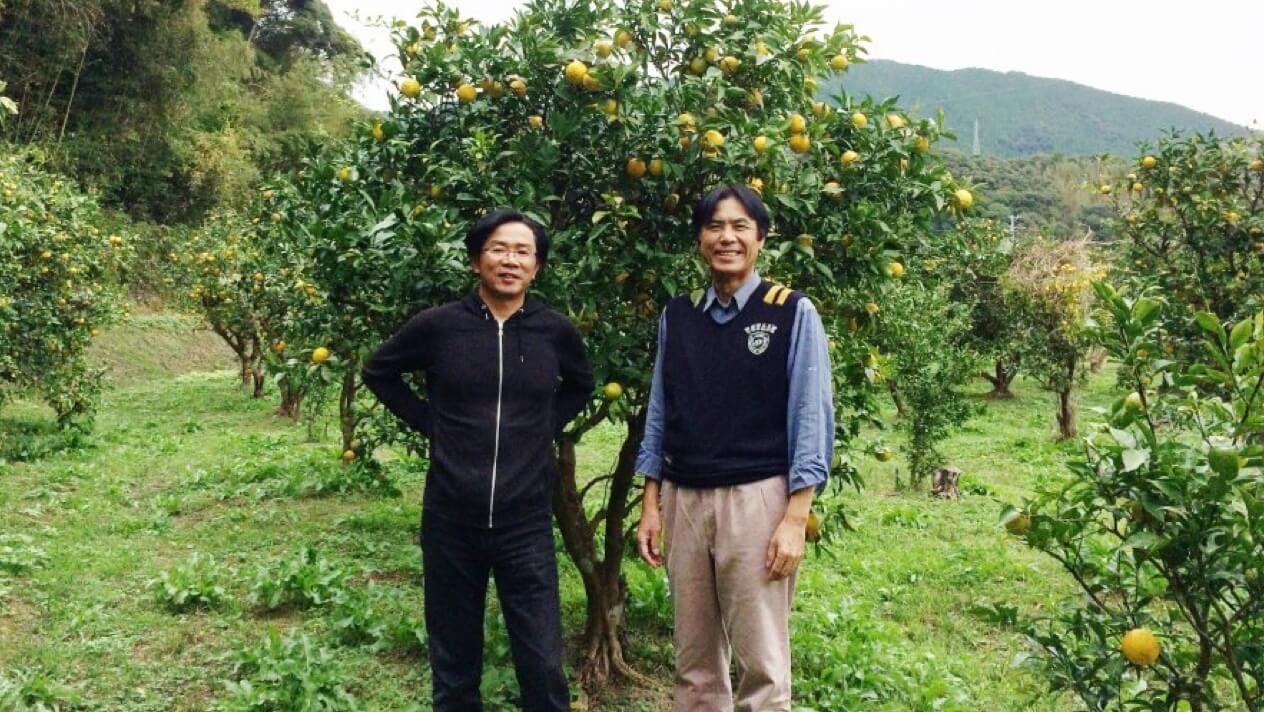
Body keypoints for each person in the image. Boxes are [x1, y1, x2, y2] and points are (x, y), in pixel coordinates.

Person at [362, 208, 593, 712]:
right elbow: (379, 371)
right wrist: (432, 423)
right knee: (454, 666)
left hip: (525, 522)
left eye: (522, 252)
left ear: (537, 267)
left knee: (543, 664)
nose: (510, 260)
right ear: (476, 260)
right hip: (450, 520)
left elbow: (582, 384)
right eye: (498, 249)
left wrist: (542, 427)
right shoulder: (439, 327)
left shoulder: (554, 332)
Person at [634, 184, 834, 712]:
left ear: (761, 239)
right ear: (700, 239)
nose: (727, 237)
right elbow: (660, 412)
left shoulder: (792, 312)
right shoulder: (677, 316)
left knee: (762, 666)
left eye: (740, 226)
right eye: (715, 226)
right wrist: (651, 504)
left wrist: (796, 518)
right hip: (685, 500)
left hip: (758, 501)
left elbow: (810, 420)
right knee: (694, 664)